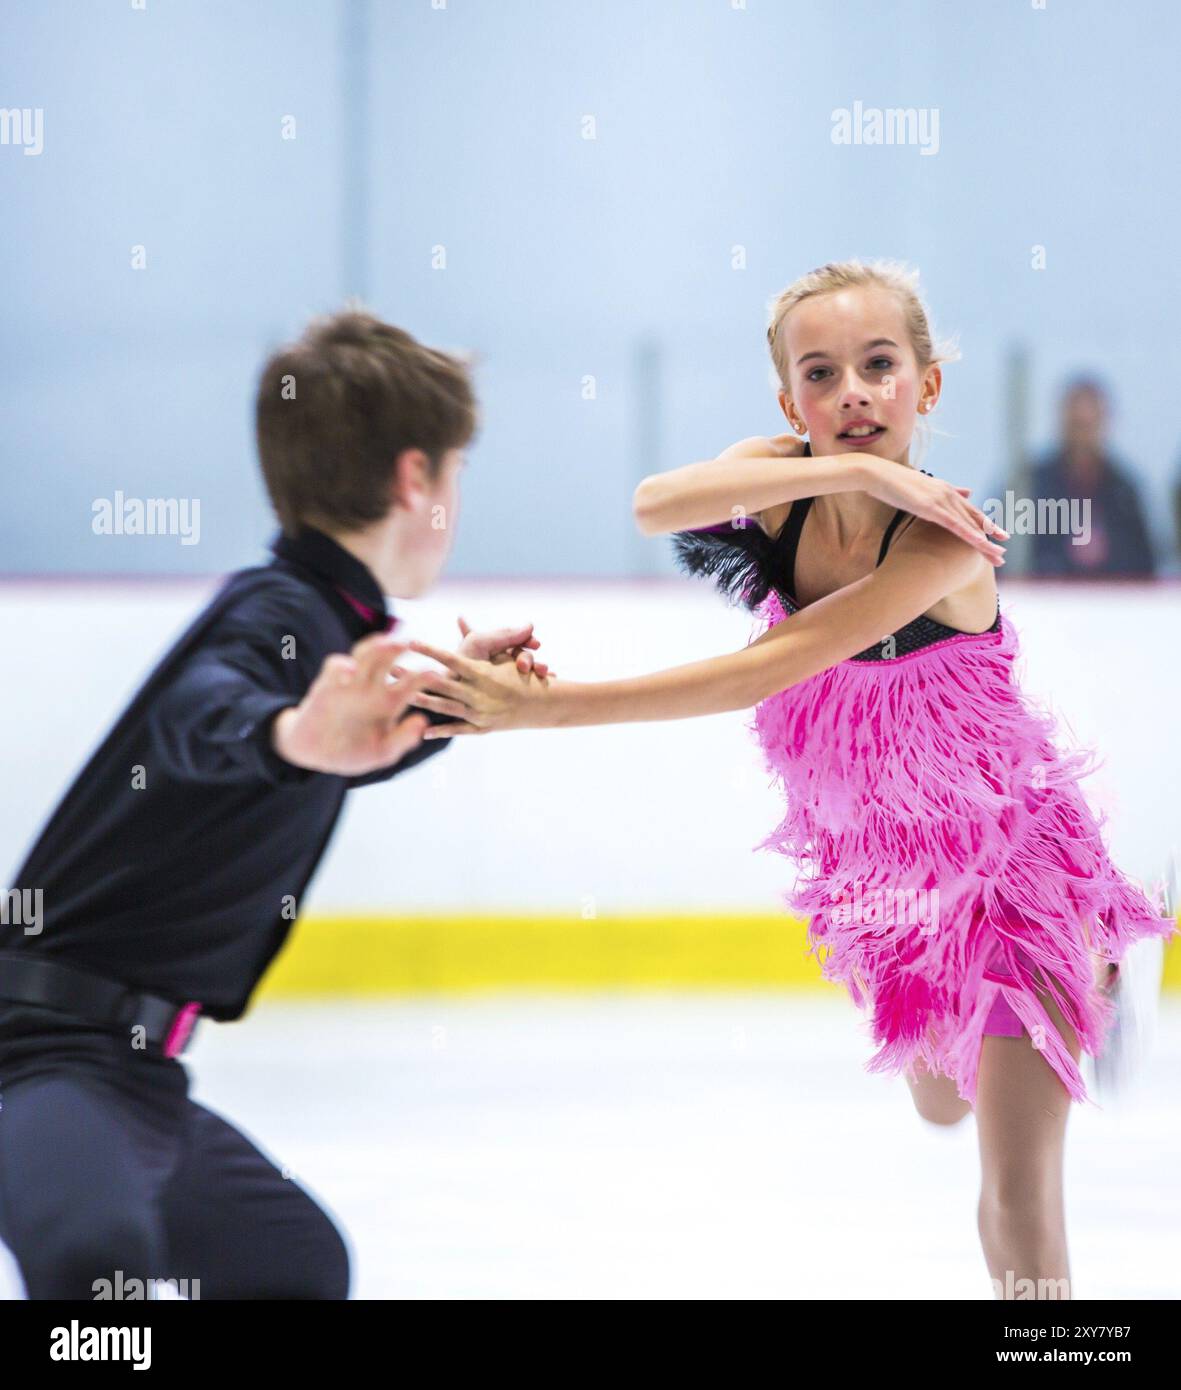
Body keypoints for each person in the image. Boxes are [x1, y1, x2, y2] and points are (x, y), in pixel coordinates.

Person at [404, 259, 1176, 1299]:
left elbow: (762, 668)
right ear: (788, 401)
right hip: (897, 897)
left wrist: (542, 707)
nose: (852, 391)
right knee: (937, 1104)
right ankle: (1100, 980)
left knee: (1012, 1189)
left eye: (877, 365)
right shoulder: (787, 494)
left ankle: (1084, 972)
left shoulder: (944, 542)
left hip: (1012, 875)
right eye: (821, 374)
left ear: (926, 386)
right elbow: (649, 504)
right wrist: (851, 473)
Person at [0, 309, 552, 1300]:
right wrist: (289, 736)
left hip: (132, 1082)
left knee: (290, 1265)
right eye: (456, 474)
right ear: (413, 478)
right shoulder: (277, 619)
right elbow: (206, 713)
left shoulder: (318, 624)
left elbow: (336, 739)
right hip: (35, 1059)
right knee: (96, 1270)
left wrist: (453, 699)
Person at [1027, 376, 1157, 578]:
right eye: (1076, 425)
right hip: (1045, 602)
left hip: (1113, 602)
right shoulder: (1031, 486)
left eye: (1088, 425)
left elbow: (1145, 562)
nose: (1082, 436)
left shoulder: (1124, 491)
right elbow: (1001, 550)